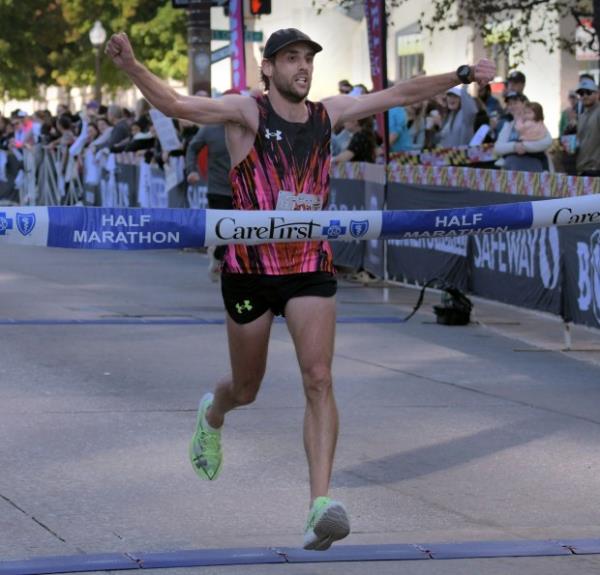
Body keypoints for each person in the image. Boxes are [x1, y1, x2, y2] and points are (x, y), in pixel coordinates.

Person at [105, 27, 495, 551]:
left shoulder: (326, 115)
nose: (302, 67)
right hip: (250, 267)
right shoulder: (246, 114)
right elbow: (176, 102)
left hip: (309, 263)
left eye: (308, 58)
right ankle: (213, 413)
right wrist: (131, 65)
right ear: (268, 69)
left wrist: (462, 75)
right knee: (247, 389)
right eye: (290, 59)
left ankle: (320, 506)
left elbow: (398, 94)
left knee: (319, 377)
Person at [186, 91, 237, 280]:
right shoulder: (210, 128)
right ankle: (218, 254)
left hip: (244, 189)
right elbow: (192, 148)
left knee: (239, 233)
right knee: (226, 232)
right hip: (218, 189)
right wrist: (191, 169)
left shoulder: (247, 126)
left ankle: (227, 261)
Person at [494, 92, 552, 172]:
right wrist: (514, 147)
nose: (512, 107)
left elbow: (546, 141)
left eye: (515, 103)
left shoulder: (536, 122)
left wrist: (524, 146)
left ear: (524, 104)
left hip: (534, 171)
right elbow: (498, 148)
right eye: (510, 104)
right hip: (512, 172)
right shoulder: (508, 126)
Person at [574, 77, 600, 177]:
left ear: (597, 94)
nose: (584, 96)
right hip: (582, 169)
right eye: (581, 93)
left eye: (588, 92)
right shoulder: (582, 116)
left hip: (596, 170)